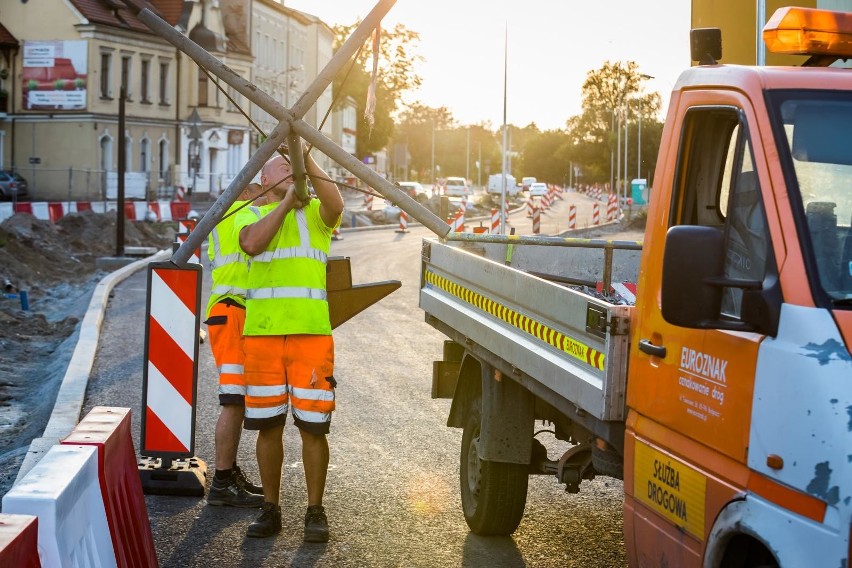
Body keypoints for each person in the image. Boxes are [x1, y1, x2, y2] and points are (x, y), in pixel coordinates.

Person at [235, 145, 344, 542]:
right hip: (262, 337)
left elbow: (333, 200)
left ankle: (315, 511)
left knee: (314, 429)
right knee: (269, 428)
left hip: (311, 337)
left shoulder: (317, 217)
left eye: (296, 171)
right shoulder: (248, 216)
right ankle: (271, 508)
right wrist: (283, 204)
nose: (293, 176)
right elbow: (251, 244)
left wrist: (306, 159)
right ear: (265, 180)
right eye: (284, 170)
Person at [204, 182, 268, 508]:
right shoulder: (247, 212)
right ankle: (221, 483)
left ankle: (226, 475)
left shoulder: (222, 215)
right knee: (233, 401)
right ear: (251, 190)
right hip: (233, 313)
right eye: (262, 190)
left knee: (238, 400)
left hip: (228, 313)